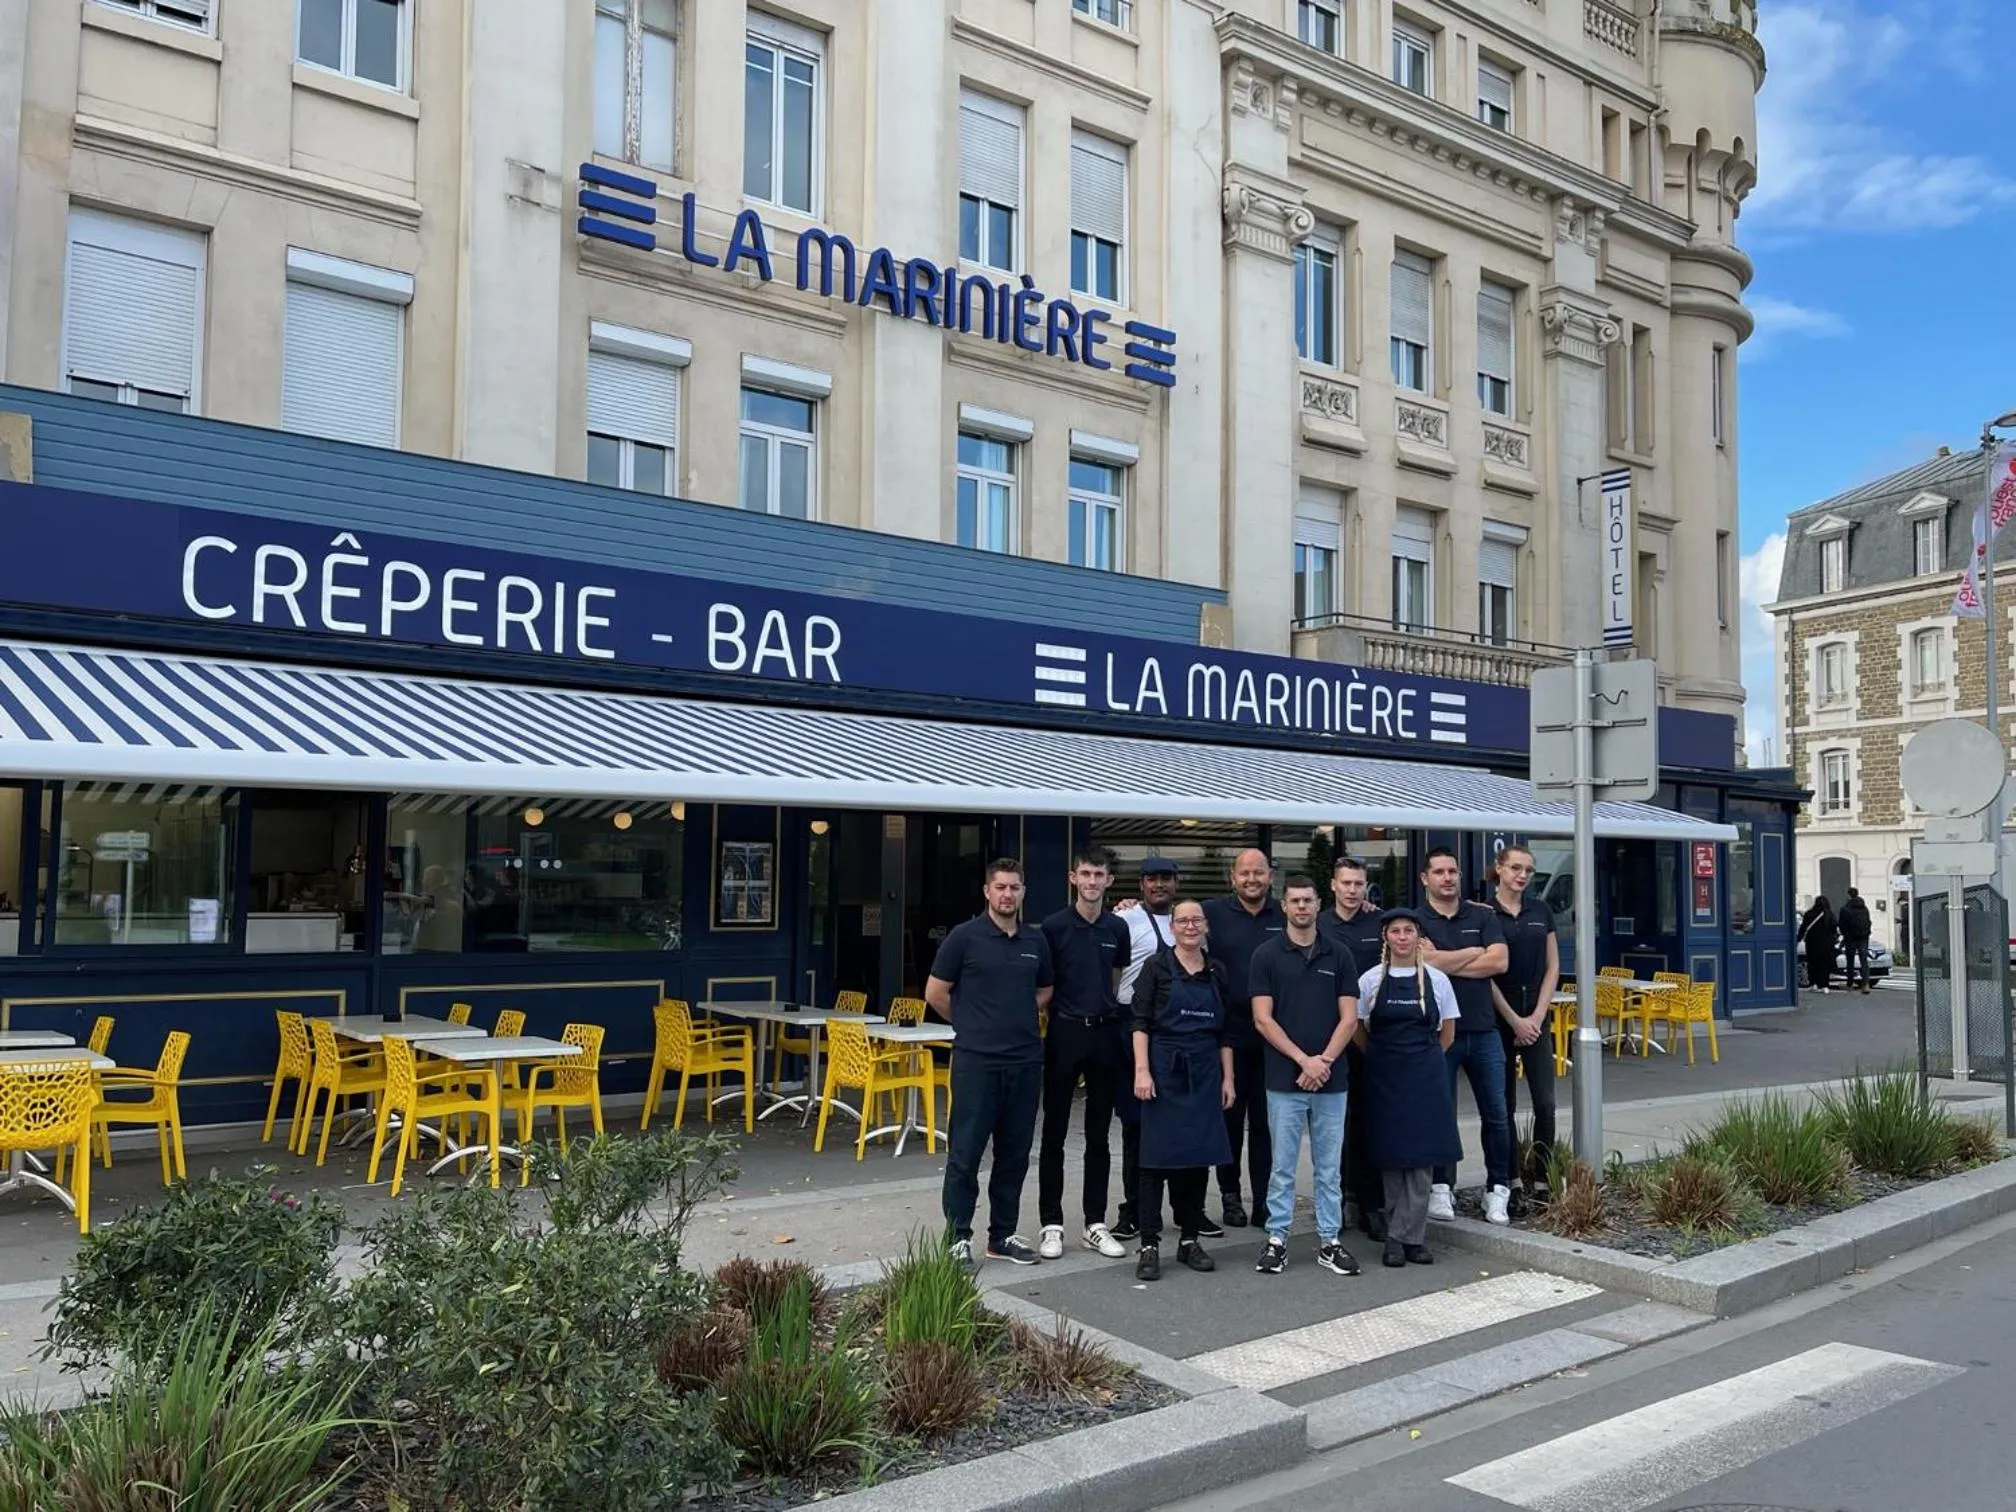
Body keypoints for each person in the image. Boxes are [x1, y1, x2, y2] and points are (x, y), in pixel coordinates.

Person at [926, 858, 1055, 1267]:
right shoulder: (964, 938)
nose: (1007, 894)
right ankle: (957, 1236)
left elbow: (1045, 989)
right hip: (976, 1064)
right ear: (987, 891)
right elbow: (936, 993)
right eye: (1000, 887)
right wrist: (972, 1022)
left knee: (1014, 1154)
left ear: (1022, 892)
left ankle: (1002, 1235)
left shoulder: (1035, 942)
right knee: (965, 1154)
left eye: (1014, 887)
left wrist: (1012, 1014)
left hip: (1024, 1062)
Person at [1251, 875, 1361, 1277]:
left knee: (1328, 1167)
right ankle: (1277, 1239)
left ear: (1319, 905)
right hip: (1284, 1080)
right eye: (1294, 900)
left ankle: (1329, 1241)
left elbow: (1350, 1018)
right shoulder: (1266, 955)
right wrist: (1304, 1061)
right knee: (1281, 1166)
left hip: (1332, 1080)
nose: (1301, 907)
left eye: (1308, 900)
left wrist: (1324, 1062)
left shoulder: (1340, 954)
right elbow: (1262, 1019)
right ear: (1284, 906)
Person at [1129, 898, 1235, 1281]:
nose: (1190, 926)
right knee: (1155, 1162)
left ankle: (1189, 1239)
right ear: (1172, 927)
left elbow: (1225, 1032)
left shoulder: (1217, 971)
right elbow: (1139, 1022)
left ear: (1206, 926)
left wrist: (1228, 1078)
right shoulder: (1155, 967)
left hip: (1206, 1072)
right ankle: (1150, 1243)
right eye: (1183, 921)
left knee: (1197, 1159)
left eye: (1196, 920)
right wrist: (1142, 1072)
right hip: (1164, 1071)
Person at [1036, 848, 1133, 1260]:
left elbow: (1115, 977)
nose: (1092, 882)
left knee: (1099, 1134)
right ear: (1072, 878)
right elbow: (1045, 985)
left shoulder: (1118, 928)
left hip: (1105, 1034)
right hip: (1064, 1033)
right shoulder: (1054, 927)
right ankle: (1051, 1224)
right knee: (1054, 1132)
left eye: (1100, 875)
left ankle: (1095, 1222)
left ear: (1109, 881)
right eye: (1086, 874)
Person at [1354, 908, 1462, 1267]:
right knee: (1392, 1156)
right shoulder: (1369, 980)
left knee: (1420, 1158)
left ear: (1419, 937)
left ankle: (1406, 1240)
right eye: (1395, 931)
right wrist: (1383, 1056)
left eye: (1409, 931)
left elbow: (1447, 1032)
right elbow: (1357, 1028)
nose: (1402, 937)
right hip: (1384, 1076)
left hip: (1425, 1077)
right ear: (1386, 937)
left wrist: (1422, 1059)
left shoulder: (1437, 980)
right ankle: (1401, 1235)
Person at [1416, 847, 1513, 1226]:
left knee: (1498, 1115)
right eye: (1438, 872)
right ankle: (1441, 1188)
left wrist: (1448, 959)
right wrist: (1474, 953)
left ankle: (1498, 1190)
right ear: (1425, 878)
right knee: (1441, 1114)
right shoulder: (1416, 921)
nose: (1447, 877)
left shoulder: (1484, 916)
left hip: (1484, 1031)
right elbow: (1423, 964)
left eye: (1452, 871)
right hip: (1439, 1034)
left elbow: (1500, 962)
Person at [1201, 849, 1286, 1232]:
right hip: (1227, 1036)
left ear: (1270, 876)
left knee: (1268, 1125)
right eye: (1244, 873)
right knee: (1229, 1121)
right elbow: (1172, 921)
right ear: (1232, 877)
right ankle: (1230, 1197)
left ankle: (1265, 1200)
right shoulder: (1212, 914)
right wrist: (1129, 905)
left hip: (1273, 1035)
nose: (1252, 879)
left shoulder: (1284, 914)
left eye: (1259, 873)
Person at [1318, 856, 1388, 1241]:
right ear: (1333, 885)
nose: (1352, 890)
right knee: (1333, 1125)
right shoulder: (1318, 924)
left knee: (1366, 1121)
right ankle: (1342, 1196)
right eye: (1345, 883)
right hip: (1327, 1037)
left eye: (1358, 883)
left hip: (1368, 1039)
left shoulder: (1377, 925)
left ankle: (1369, 1200)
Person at [1487, 844, 1560, 1207]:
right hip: (1499, 1019)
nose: (1522, 876)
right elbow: (1485, 974)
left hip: (1536, 1017)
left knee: (1545, 1102)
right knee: (1504, 1105)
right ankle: (1511, 1179)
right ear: (1499, 868)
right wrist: (1514, 1020)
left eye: (1529, 870)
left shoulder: (1540, 910)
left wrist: (1535, 1016)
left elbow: (1553, 967)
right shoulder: (1485, 914)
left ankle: (1544, 1178)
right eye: (1516, 868)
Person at [1113, 856, 1182, 1241]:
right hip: (1131, 1028)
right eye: (1152, 879)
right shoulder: (1124, 921)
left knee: (1179, 1123)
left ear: (1176, 883)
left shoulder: (1189, 923)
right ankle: (1134, 1210)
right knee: (1135, 1126)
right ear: (1141, 884)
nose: (1160, 886)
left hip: (1177, 1033)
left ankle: (1187, 1211)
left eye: (1166, 879)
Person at [1797, 894, 1838, 994]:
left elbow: (1803, 927)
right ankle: (1825, 985)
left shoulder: (1809, 914)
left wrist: (1798, 939)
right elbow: (1834, 928)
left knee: (1812, 963)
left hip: (1812, 943)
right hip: (1826, 944)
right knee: (1824, 965)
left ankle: (1814, 984)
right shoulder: (1829, 914)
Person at [1838, 887, 1873, 994]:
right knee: (1864, 960)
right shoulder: (1864, 908)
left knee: (1850, 961)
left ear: (1848, 895)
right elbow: (1868, 921)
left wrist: (1844, 936)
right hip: (1863, 937)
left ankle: (1850, 984)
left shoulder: (1845, 909)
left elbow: (1842, 925)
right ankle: (1866, 984)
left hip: (1850, 938)